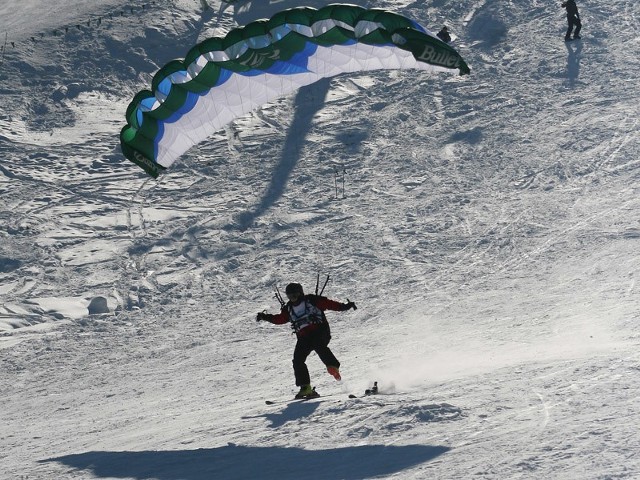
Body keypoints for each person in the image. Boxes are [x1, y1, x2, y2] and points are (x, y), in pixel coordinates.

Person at [256, 282, 357, 399]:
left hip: (320, 331)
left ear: (300, 293)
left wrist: (345, 306)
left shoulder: (312, 300)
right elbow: (280, 319)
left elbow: (329, 304)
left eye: (294, 296)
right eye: (289, 297)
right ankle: (305, 388)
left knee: (319, 345)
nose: (292, 299)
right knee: (297, 360)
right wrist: (265, 317)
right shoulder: (288, 309)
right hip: (304, 337)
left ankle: (332, 366)